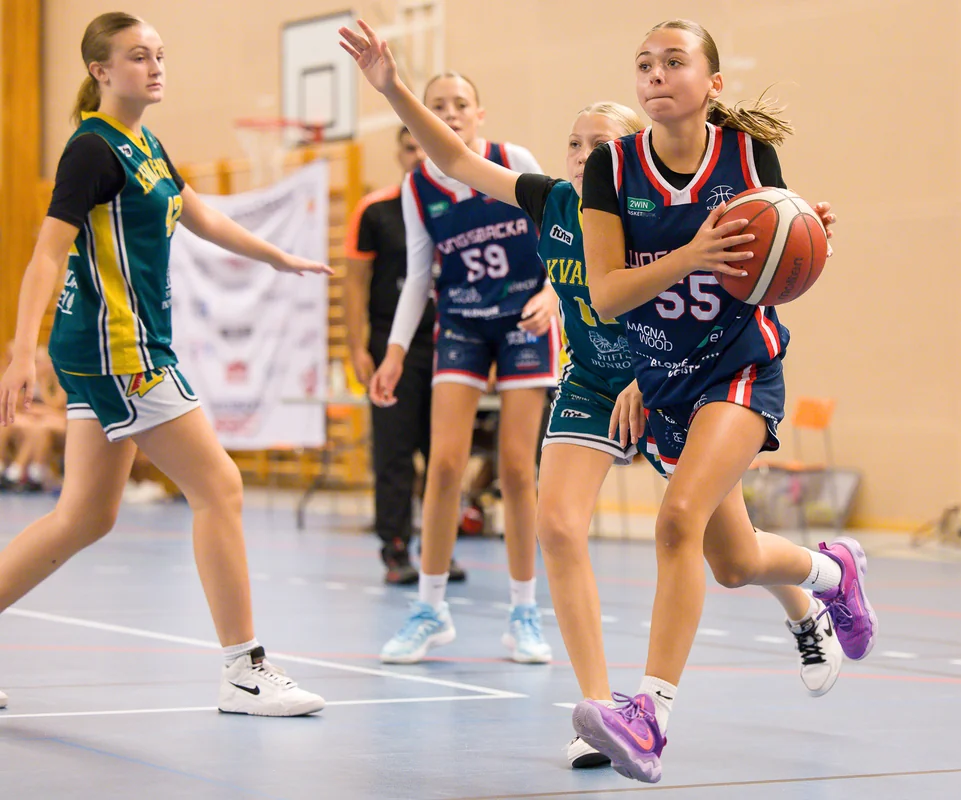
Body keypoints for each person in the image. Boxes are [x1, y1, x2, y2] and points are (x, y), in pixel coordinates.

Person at [339, 17, 846, 770]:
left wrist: (798, 234)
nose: (583, 155)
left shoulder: (691, 174)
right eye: (573, 143)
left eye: (597, 143)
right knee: (559, 526)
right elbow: (456, 159)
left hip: (677, 373)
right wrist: (392, 90)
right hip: (593, 377)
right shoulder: (556, 200)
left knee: (731, 558)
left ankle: (818, 584)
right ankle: (602, 711)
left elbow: (730, 272)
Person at [570, 19, 876, 783]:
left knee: (677, 520)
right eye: (644, 63)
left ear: (712, 83)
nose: (655, 74)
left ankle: (649, 717)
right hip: (666, 380)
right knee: (734, 562)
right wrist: (692, 255)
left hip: (740, 367)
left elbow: (771, 264)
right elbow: (607, 295)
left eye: (674, 61)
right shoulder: (612, 167)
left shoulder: (746, 154)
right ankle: (832, 572)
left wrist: (802, 238)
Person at [0, 12, 326, 716]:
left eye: (159, 55)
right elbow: (46, 254)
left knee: (85, 516)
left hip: (118, 345)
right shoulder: (92, 151)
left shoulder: (144, 143)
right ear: (100, 71)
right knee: (220, 486)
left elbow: (198, 214)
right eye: (138, 56)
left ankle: (241, 669)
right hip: (121, 348)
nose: (154, 67)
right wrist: (21, 351)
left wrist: (275, 255)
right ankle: (243, 670)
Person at [360, 65, 560, 665]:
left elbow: (563, 232)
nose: (449, 113)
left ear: (479, 114)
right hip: (463, 323)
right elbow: (419, 275)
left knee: (517, 469)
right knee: (445, 464)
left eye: (460, 103)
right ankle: (429, 609)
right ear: (420, 118)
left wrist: (553, 294)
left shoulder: (511, 159)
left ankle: (524, 612)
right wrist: (394, 352)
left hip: (524, 320)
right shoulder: (417, 187)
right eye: (437, 104)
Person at [343, 126, 466, 586]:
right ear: (399, 153)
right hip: (392, 348)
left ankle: (440, 549)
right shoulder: (375, 210)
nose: (419, 154)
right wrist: (357, 347)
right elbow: (354, 283)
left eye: (425, 145)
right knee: (393, 452)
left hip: (451, 343)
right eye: (410, 147)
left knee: (444, 454)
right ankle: (395, 548)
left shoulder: (463, 205)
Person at [0, 347, 66, 492]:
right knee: (7, 423)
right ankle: (6, 468)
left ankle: (23, 472)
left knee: (39, 429)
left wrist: (43, 383)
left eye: (40, 362)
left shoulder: (57, 379)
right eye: (35, 362)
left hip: (57, 420)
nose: (37, 366)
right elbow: (19, 403)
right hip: (34, 419)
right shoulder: (24, 378)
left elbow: (57, 405)